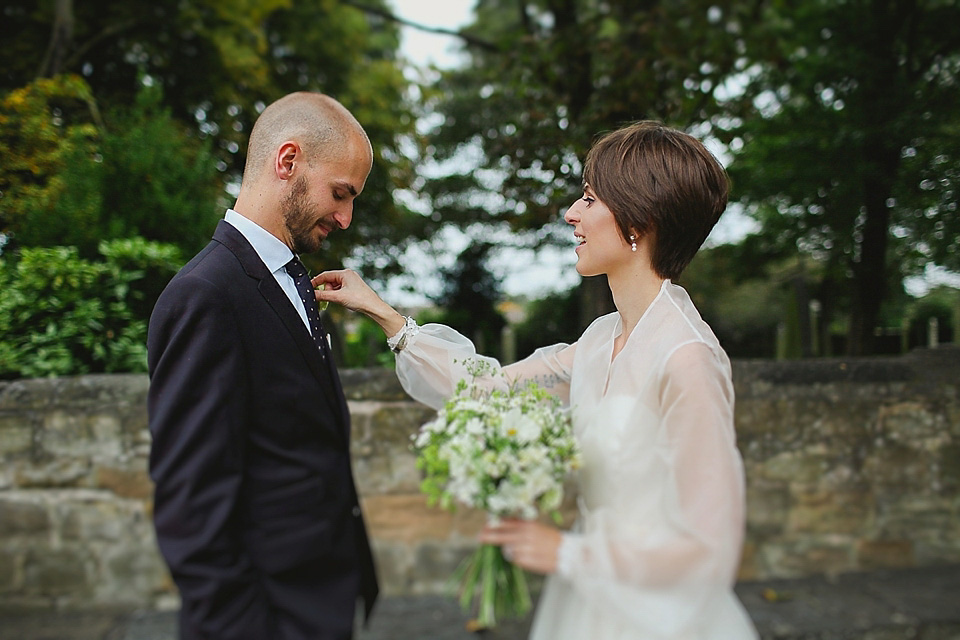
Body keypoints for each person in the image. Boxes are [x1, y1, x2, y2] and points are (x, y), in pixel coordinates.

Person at [312, 121, 758, 639]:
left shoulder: (688, 359)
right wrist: (384, 314)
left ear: (640, 220)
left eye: (590, 198)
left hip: (664, 618)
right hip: (592, 605)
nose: (571, 212)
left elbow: (711, 548)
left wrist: (568, 551)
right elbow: (490, 389)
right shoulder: (600, 339)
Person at [147, 92, 378, 640]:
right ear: (288, 161)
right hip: (264, 618)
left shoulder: (296, 281)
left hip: (320, 599)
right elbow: (190, 501)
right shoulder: (205, 294)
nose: (346, 218)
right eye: (340, 194)